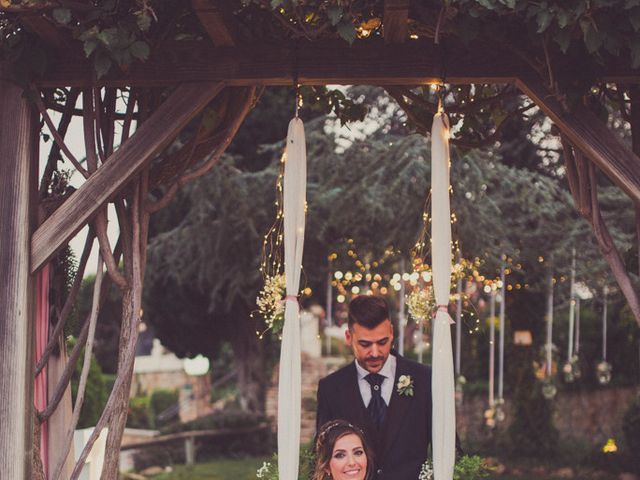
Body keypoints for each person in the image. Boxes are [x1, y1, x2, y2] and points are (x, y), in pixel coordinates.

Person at [316, 295, 432, 480]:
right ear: (348, 337)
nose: (375, 352)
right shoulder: (330, 388)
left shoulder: (425, 379)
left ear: (392, 333)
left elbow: (449, 448)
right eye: (365, 344)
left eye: (382, 342)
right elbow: (322, 454)